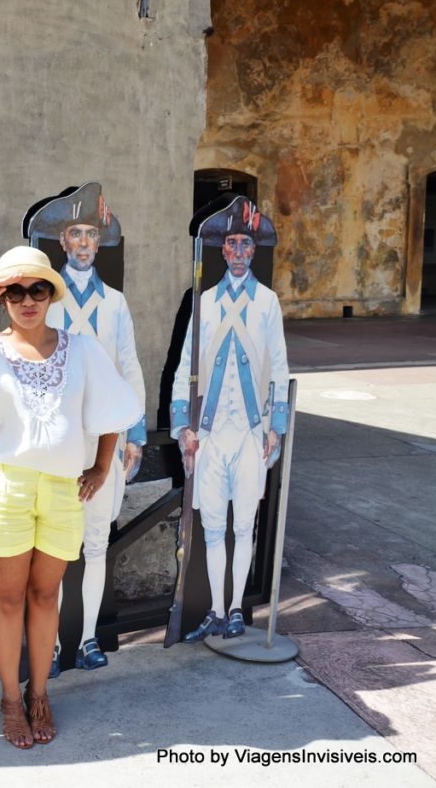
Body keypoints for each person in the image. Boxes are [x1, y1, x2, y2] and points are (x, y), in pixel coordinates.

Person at [0, 246, 141, 749]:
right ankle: (11, 700)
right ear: (2, 296)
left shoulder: (81, 349)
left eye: (38, 289)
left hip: (60, 489)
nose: (27, 299)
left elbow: (112, 405)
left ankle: (40, 694)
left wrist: (102, 464)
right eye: (15, 290)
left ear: (52, 295)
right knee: (9, 597)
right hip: (2, 487)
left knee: (44, 595)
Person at [28, 182, 147, 673]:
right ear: (62, 242)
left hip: (104, 440)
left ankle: (89, 639)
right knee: (53, 549)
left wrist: (134, 432)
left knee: (96, 543)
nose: (81, 242)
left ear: (98, 245)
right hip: (56, 441)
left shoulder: (114, 303)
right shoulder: (43, 297)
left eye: (90, 235)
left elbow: (128, 366)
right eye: (74, 233)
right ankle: (50, 645)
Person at [170, 196, 288, 642]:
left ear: (254, 251)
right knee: (214, 527)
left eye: (246, 244)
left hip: (251, 430)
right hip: (210, 431)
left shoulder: (268, 303)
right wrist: (183, 426)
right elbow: (185, 367)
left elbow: (278, 366)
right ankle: (217, 611)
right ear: (223, 250)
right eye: (232, 244)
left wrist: (276, 425)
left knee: (245, 525)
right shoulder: (204, 302)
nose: (238, 252)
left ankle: (237, 608)